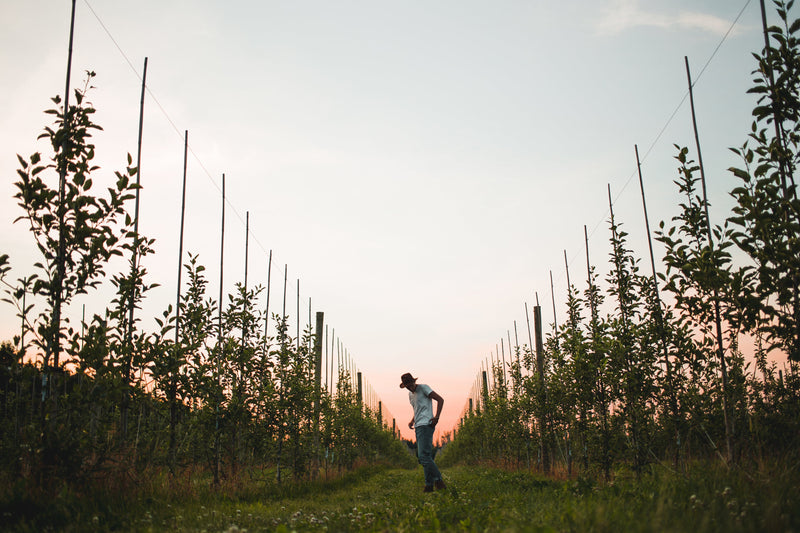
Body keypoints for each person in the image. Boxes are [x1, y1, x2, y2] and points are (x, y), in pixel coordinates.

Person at [400, 372, 446, 492]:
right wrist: (412, 421)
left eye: (410, 384)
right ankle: (428, 485)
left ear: (414, 381)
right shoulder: (410, 395)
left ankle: (438, 480)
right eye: (407, 386)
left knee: (423, 456)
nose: (410, 387)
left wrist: (436, 417)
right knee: (426, 456)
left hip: (427, 424)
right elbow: (417, 410)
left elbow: (440, 400)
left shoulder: (424, 388)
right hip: (418, 426)